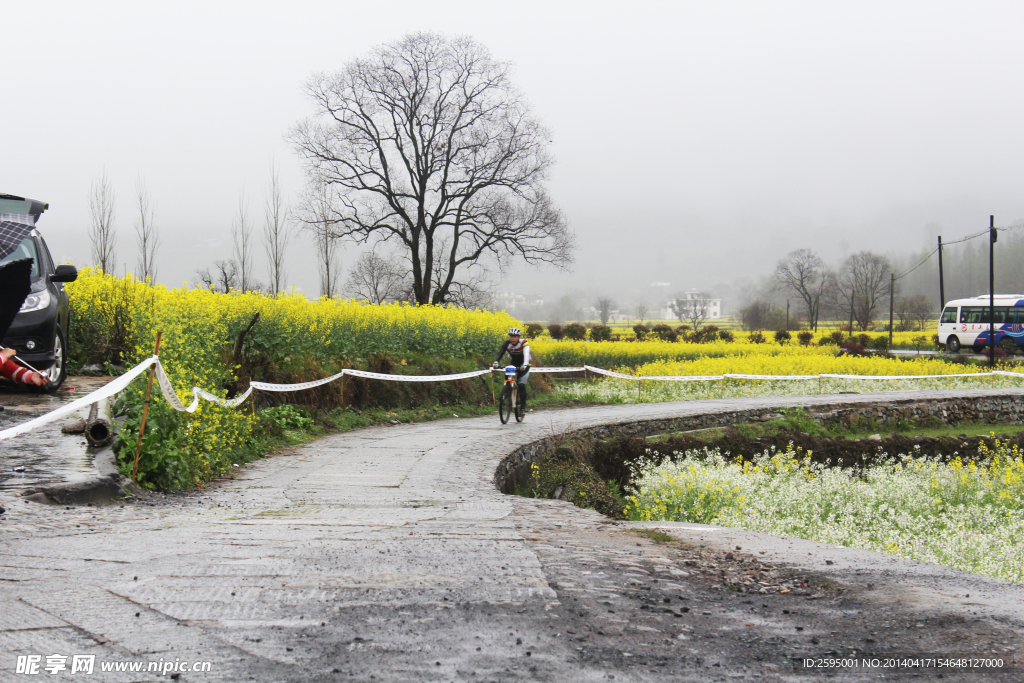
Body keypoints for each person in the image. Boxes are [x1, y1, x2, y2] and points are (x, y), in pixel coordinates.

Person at [493, 327, 531, 408]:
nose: (513, 338)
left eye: (515, 336)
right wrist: (496, 362)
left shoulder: (523, 343)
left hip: (524, 363)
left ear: (519, 337)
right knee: (507, 377)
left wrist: (524, 365)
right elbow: (501, 353)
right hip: (514, 362)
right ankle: (508, 391)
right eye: (511, 336)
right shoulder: (507, 343)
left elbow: (526, 355)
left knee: (521, 385)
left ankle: (523, 407)